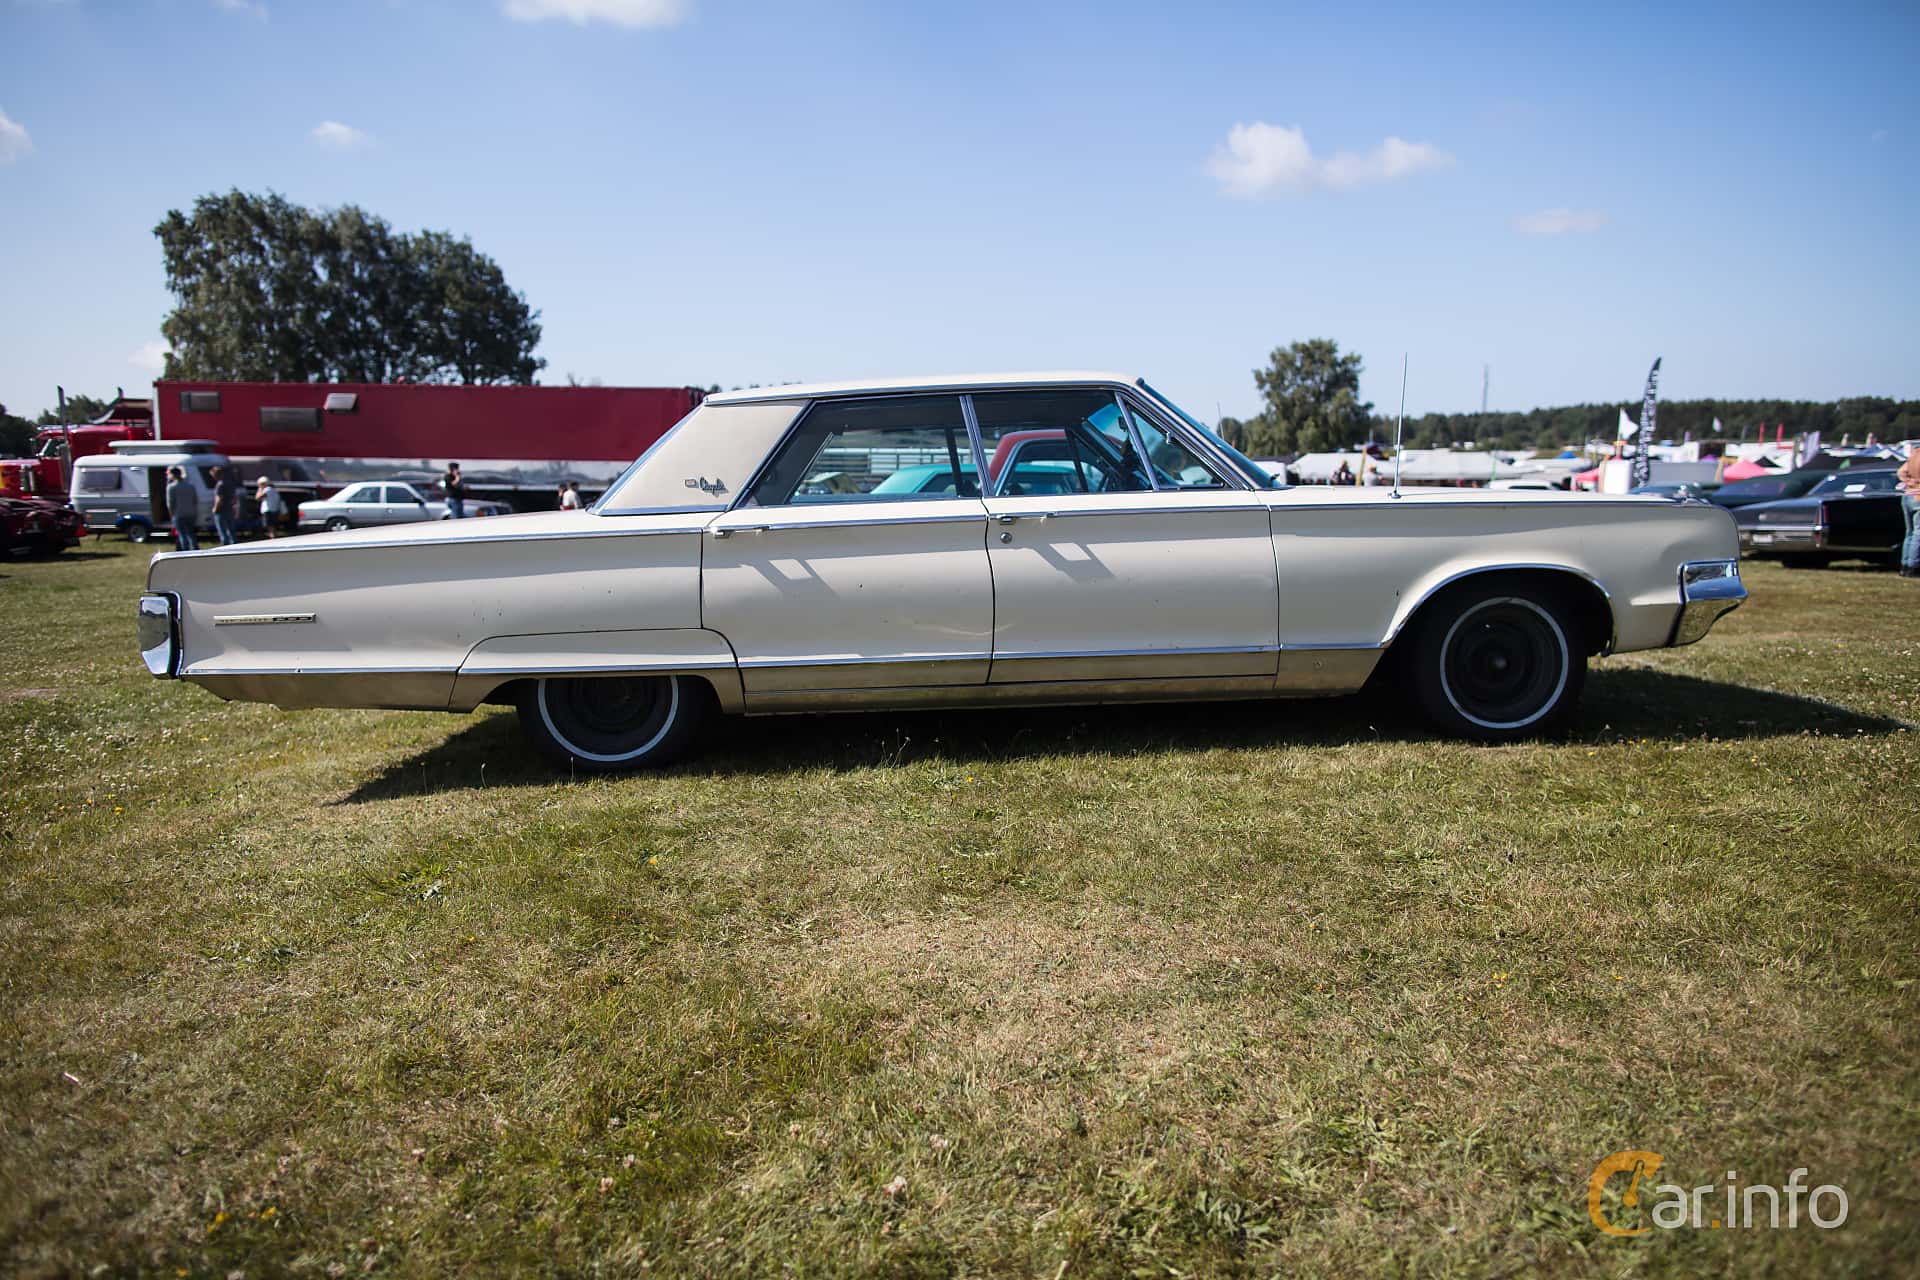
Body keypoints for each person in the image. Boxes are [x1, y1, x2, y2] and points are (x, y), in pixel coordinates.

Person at [165, 466, 200, 551]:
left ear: (173, 475)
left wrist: (171, 515)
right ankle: (195, 549)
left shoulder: (172, 487)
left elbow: (170, 503)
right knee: (191, 533)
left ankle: (185, 551)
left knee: (182, 534)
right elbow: (195, 500)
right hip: (191, 513)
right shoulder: (190, 485)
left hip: (179, 514)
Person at [1899, 447, 1920, 579]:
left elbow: (1900, 472)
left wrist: (1909, 482)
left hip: (1907, 495)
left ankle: (1904, 565)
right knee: (1918, 534)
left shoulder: (1915, 454)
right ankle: (1914, 567)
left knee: (1910, 533)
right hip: (1919, 496)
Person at [210, 465, 239, 546]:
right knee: (231, 529)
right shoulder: (229, 483)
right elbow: (234, 497)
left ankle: (225, 545)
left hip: (221, 510)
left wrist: (215, 508)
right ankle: (234, 544)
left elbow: (219, 498)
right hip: (229, 508)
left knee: (222, 530)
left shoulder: (220, 485)